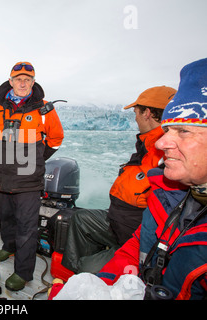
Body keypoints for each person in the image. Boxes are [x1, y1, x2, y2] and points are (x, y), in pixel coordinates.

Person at [95, 58, 207, 300]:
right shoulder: (169, 195)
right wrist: (101, 286)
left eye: (184, 130)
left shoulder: (164, 173)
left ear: (147, 112)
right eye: (168, 129)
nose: (162, 142)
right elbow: (139, 247)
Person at [60, 86, 177, 274]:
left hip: (136, 236)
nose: (135, 118)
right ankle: (73, 277)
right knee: (81, 218)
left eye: (136, 113)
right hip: (115, 221)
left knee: (88, 267)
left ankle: (87, 276)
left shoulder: (167, 155)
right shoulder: (146, 147)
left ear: (147, 113)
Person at [0, 61, 64, 291]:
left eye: (27, 80)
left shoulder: (44, 110)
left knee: (26, 226)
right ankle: (9, 245)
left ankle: (23, 273)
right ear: (10, 81)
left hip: (28, 180)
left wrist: (36, 159)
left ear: (33, 83)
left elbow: (56, 138)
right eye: (18, 79)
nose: (22, 83)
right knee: (6, 218)